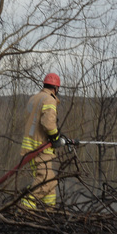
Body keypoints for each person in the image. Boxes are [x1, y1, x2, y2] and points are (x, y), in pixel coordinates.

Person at [20, 72, 74, 210]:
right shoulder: (49, 100)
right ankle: (25, 207)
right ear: (56, 88)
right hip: (39, 148)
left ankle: (50, 212)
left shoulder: (34, 98)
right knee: (45, 180)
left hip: (31, 146)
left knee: (51, 181)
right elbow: (48, 123)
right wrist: (55, 137)